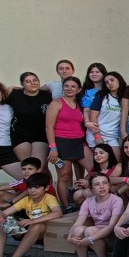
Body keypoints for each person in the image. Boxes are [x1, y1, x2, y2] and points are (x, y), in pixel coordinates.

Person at [66, 173, 123, 257]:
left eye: (105, 183)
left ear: (109, 185)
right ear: (91, 189)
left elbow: (112, 226)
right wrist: (69, 237)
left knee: (90, 231)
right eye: (97, 184)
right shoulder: (88, 201)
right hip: (96, 236)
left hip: (112, 237)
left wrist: (90, 239)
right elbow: (79, 222)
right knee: (77, 230)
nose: (102, 187)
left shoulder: (116, 200)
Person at [45, 76, 86, 208]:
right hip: (62, 142)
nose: (69, 89)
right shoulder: (56, 103)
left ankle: (81, 197)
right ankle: (66, 205)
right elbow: (49, 127)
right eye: (66, 86)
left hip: (79, 141)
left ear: (79, 89)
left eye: (73, 86)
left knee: (93, 169)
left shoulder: (80, 104)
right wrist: (53, 148)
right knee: (64, 175)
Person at [8, 72, 52, 169]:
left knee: (40, 167)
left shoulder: (48, 95)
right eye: (28, 81)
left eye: (35, 80)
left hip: (41, 134)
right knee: (28, 166)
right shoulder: (14, 94)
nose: (32, 83)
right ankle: (32, 184)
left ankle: (46, 184)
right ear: (22, 84)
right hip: (20, 134)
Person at [88, 71, 126, 159]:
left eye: (112, 80)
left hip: (113, 136)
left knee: (116, 162)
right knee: (101, 164)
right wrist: (97, 136)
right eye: (106, 82)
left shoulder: (123, 99)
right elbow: (93, 117)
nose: (110, 83)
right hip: (97, 135)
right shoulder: (101, 97)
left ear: (119, 80)